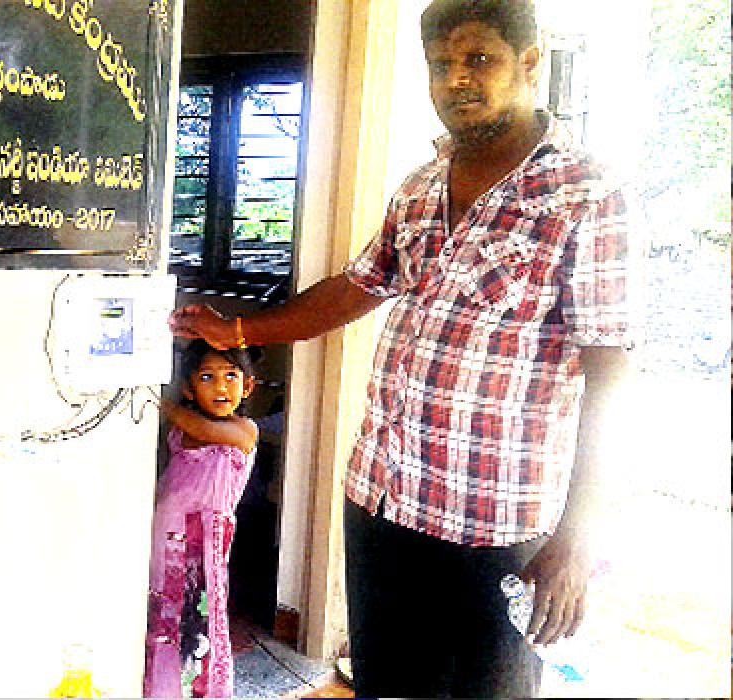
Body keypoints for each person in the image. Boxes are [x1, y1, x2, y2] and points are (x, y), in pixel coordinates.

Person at [168, 0, 637, 696]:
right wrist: (236, 331)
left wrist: (577, 534)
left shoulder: (586, 194)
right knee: (386, 686)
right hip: (383, 502)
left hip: (494, 526)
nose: (457, 79)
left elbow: (610, 369)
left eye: (479, 58)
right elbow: (357, 288)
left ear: (529, 64)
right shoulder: (420, 187)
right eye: (441, 64)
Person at [144, 339, 259, 698]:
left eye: (230, 376)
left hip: (204, 554)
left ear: (248, 385)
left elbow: (206, 430)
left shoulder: (244, 431)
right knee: (162, 618)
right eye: (207, 377)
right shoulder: (179, 435)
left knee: (198, 625)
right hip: (164, 545)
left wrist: (151, 397)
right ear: (189, 389)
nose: (221, 386)